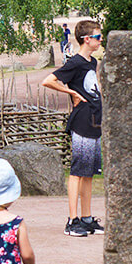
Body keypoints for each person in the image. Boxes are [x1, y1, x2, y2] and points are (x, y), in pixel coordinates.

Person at [41, 20, 105, 237]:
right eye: (98, 37)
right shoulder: (75, 62)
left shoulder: (92, 62)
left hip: (94, 120)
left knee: (89, 174)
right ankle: (72, 220)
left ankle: (86, 219)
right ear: (87, 39)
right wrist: (72, 93)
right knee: (77, 172)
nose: (100, 40)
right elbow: (48, 81)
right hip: (81, 122)